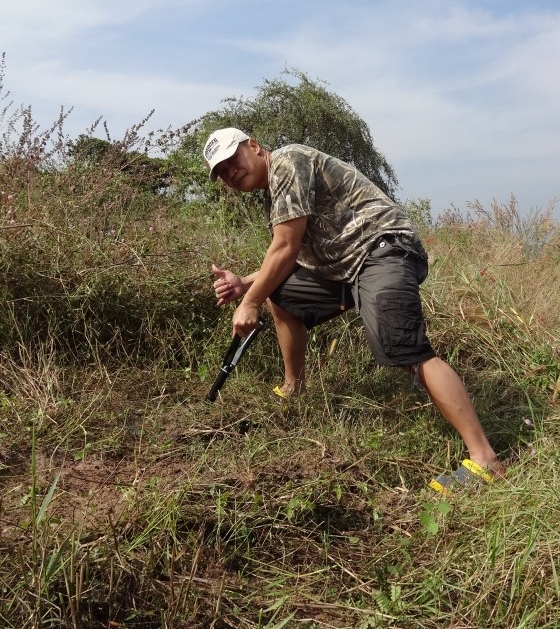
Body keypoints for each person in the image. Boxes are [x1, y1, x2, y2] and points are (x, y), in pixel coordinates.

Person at [204, 127, 505, 490]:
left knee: (406, 348)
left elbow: (285, 248)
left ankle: (485, 460)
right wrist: (245, 286)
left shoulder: (288, 161)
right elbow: (290, 257)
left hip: (382, 251)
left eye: (231, 162)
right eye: (220, 172)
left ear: (253, 146)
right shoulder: (276, 192)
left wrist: (248, 301)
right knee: (280, 294)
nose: (230, 174)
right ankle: (293, 388)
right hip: (344, 269)